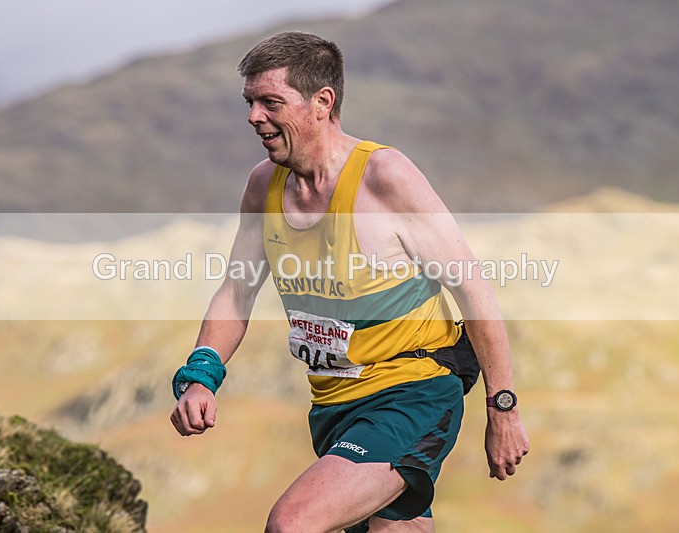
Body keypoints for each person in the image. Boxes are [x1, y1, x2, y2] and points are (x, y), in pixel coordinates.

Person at [170, 31, 529, 532]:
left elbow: (474, 291)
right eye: (250, 102)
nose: (254, 116)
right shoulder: (263, 187)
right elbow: (237, 290)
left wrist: (503, 410)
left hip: (413, 392)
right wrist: (201, 375)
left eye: (270, 102)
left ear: (322, 102)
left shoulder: (384, 176)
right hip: (334, 403)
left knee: (292, 524)